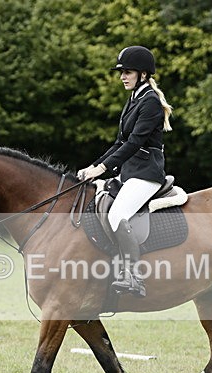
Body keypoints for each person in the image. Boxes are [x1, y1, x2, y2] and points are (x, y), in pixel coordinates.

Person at [78, 45, 174, 298]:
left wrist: (102, 168)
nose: (122, 76)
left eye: (128, 72)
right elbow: (120, 143)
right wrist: (93, 166)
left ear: (143, 74)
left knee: (117, 213)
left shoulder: (150, 102)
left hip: (147, 173)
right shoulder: (134, 99)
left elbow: (134, 143)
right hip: (130, 172)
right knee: (100, 201)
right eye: (121, 72)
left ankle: (133, 276)